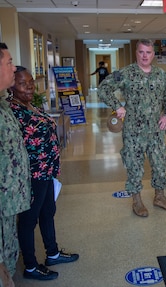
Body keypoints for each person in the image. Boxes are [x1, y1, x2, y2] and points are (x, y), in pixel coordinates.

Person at [8, 66, 79, 281]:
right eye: (22, 83)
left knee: (48, 212)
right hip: (32, 176)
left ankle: (53, 253)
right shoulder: (12, 111)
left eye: (30, 81)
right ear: (11, 86)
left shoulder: (29, 105)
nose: (29, 86)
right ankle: (30, 266)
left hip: (46, 172)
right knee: (29, 220)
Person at [98, 39, 166, 217]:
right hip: (134, 131)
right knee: (135, 166)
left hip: (156, 130)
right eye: (141, 52)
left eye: (148, 52)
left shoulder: (161, 75)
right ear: (136, 53)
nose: (144, 56)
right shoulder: (126, 73)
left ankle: (159, 196)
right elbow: (103, 88)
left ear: (153, 55)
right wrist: (117, 106)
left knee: (160, 164)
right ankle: (137, 201)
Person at [0, 42, 31, 287]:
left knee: (8, 263)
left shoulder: (3, 104)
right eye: (9, 62)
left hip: (10, 205)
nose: (13, 68)